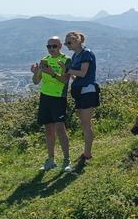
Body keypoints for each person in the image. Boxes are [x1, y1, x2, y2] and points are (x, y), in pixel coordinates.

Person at [32, 36, 71, 171]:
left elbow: (65, 80)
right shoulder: (45, 60)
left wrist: (52, 73)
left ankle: (66, 160)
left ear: (60, 46)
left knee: (60, 129)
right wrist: (36, 72)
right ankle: (50, 160)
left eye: (54, 46)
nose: (51, 49)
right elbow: (36, 81)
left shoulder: (66, 60)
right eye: (49, 46)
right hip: (45, 97)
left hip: (58, 98)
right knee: (48, 130)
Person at [63, 31, 98, 166]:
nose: (67, 45)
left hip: (87, 91)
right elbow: (75, 75)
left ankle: (87, 154)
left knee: (86, 124)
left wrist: (67, 70)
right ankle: (86, 152)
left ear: (77, 41)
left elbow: (83, 73)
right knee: (84, 124)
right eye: (66, 43)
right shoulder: (75, 55)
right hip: (80, 92)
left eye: (69, 42)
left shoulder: (86, 53)